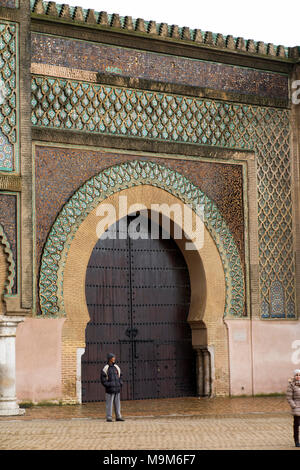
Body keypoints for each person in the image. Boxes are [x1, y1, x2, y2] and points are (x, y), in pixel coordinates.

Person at [101, 353, 125, 422]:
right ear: (109, 359)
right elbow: (103, 379)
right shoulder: (106, 368)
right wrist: (109, 385)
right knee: (109, 404)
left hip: (117, 388)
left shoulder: (117, 367)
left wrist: (120, 383)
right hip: (110, 389)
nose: (114, 359)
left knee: (118, 404)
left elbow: (121, 376)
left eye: (114, 357)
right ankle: (109, 417)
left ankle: (118, 416)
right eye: (113, 358)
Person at [286, 369, 300, 447]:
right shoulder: (291, 385)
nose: (298, 377)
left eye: (299, 375)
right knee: (296, 425)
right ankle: (297, 441)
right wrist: (294, 406)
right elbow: (289, 397)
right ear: (294, 376)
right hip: (297, 408)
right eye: (296, 375)